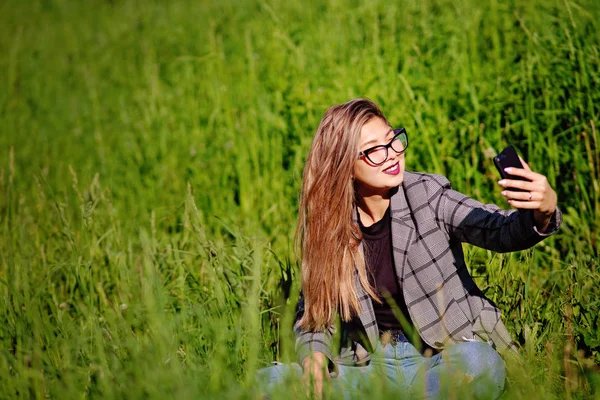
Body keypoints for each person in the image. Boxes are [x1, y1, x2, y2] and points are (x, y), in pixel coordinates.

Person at [257, 98, 561, 399]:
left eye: (392, 141)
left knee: (480, 363)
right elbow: (313, 315)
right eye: (374, 150)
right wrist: (314, 361)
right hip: (370, 370)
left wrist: (541, 213)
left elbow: (497, 230)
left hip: (445, 358)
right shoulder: (329, 228)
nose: (391, 155)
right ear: (343, 165)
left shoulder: (427, 196)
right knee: (270, 380)